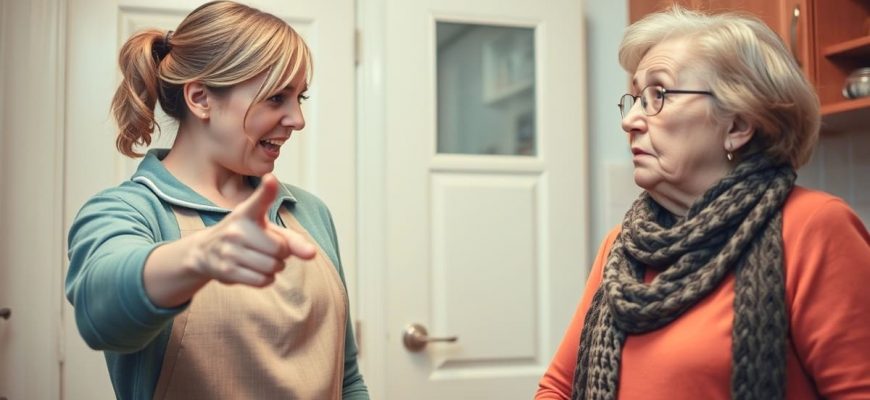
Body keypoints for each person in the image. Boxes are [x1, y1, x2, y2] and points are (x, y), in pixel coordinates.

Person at [536, 6, 870, 400]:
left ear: (738, 125)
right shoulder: (621, 247)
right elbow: (558, 387)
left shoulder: (814, 228)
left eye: (658, 95)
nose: (630, 121)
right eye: (636, 98)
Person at [65, 2, 368, 399]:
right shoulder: (127, 211)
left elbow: (347, 379)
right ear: (201, 98)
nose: (298, 119)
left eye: (300, 98)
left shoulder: (309, 212)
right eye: (277, 97)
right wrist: (201, 256)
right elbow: (98, 315)